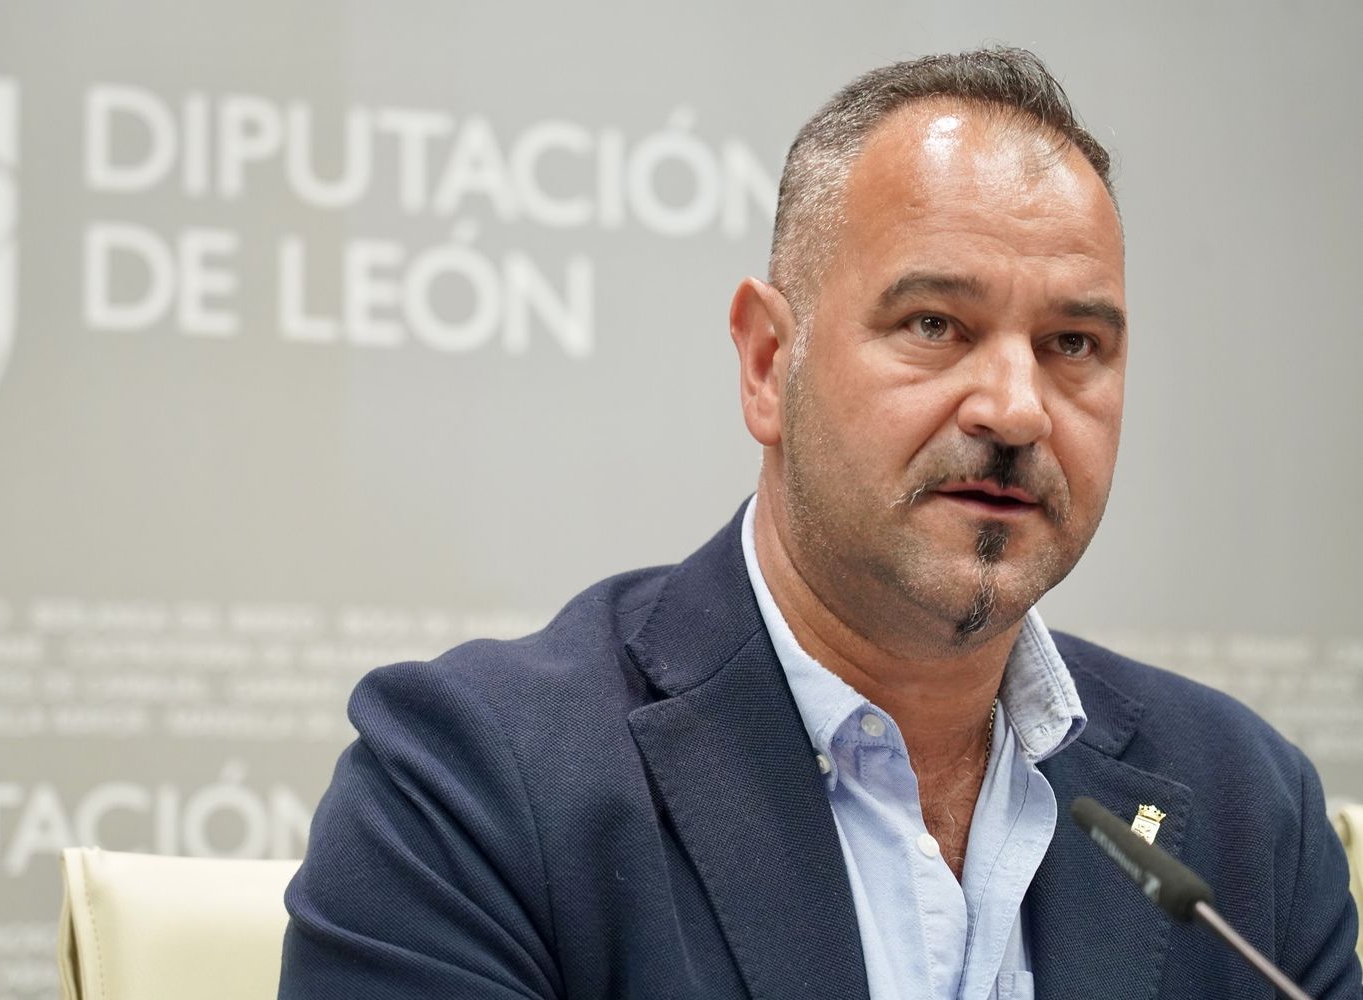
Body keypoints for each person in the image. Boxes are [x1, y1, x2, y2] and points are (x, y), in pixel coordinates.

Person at [277, 48, 1362, 999]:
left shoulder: (1247, 814)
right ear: (766, 363)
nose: (1017, 408)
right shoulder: (473, 786)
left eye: (1074, 344)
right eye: (936, 324)